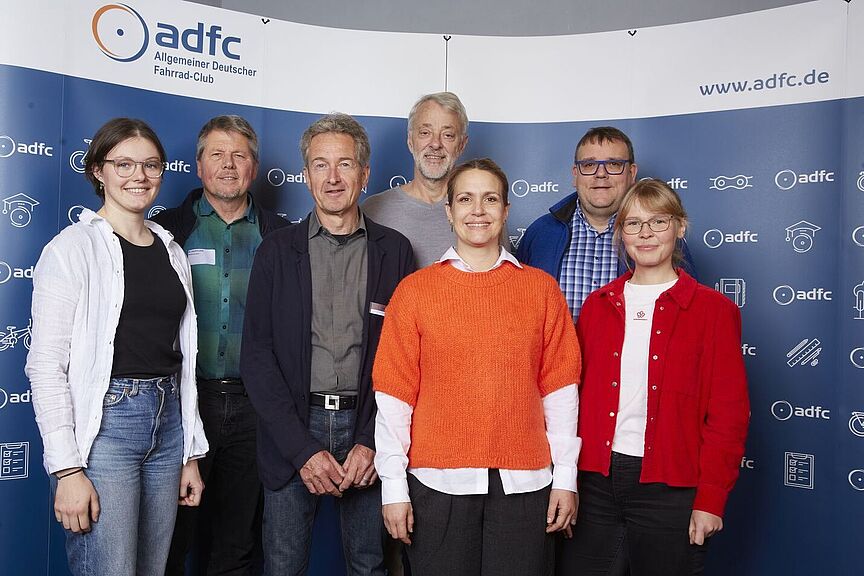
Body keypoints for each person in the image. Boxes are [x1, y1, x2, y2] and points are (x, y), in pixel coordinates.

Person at [373, 158, 582, 576]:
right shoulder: (415, 291)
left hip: (526, 485)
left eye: (490, 199)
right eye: (465, 199)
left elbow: (559, 392)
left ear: (506, 211)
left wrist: (566, 478)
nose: (478, 210)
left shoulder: (541, 290)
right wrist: (393, 487)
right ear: (449, 211)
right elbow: (394, 396)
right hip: (437, 485)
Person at [26, 117, 208, 575]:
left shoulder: (171, 250)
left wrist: (189, 452)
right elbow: (46, 366)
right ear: (98, 172)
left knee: (153, 568)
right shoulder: (71, 249)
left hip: (168, 426)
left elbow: (182, 362)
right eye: (123, 164)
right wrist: (67, 471)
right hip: (107, 430)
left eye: (150, 165)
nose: (139, 176)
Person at [240, 113, 415, 576]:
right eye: (320, 165)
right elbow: (256, 357)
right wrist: (302, 450)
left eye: (344, 164)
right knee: (282, 566)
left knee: (369, 564)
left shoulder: (394, 252)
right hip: (293, 427)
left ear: (365, 174)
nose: (333, 178)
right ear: (306, 175)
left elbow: (405, 360)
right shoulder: (277, 251)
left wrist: (370, 440)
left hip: (368, 425)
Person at [568, 179, 749, 575]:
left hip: (672, 488)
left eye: (658, 221)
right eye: (633, 224)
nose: (645, 234)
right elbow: (574, 399)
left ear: (680, 227)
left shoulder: (713, 311)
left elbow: (729, 416)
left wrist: (710, 500)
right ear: (621, 232)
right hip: (595, 482)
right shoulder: (598, 307)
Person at [154, 115, 288, 576]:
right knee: (169, 540)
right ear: (198, 165)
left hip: (257, 408)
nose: (228, 165)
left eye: (240, 155)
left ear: (254, 166)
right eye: (217, 153)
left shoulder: (284, 236)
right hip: (182, 406)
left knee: (237, 543)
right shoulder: (165, 231)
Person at [517, 126, 696, 323]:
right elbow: (516, 308)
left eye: (614, 164)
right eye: (588, 165)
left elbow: (689, 314)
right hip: (556, 354)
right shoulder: (541, 234)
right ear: (575, 174)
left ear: (632, 172)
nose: (601, 174)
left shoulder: (659, 237)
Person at [362, 92, 468, 268]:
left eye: (447, 135)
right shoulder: (372, 210)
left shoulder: (480, 215)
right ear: (410, 141)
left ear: (462, 145)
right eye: (425, 132)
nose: (435, 144)